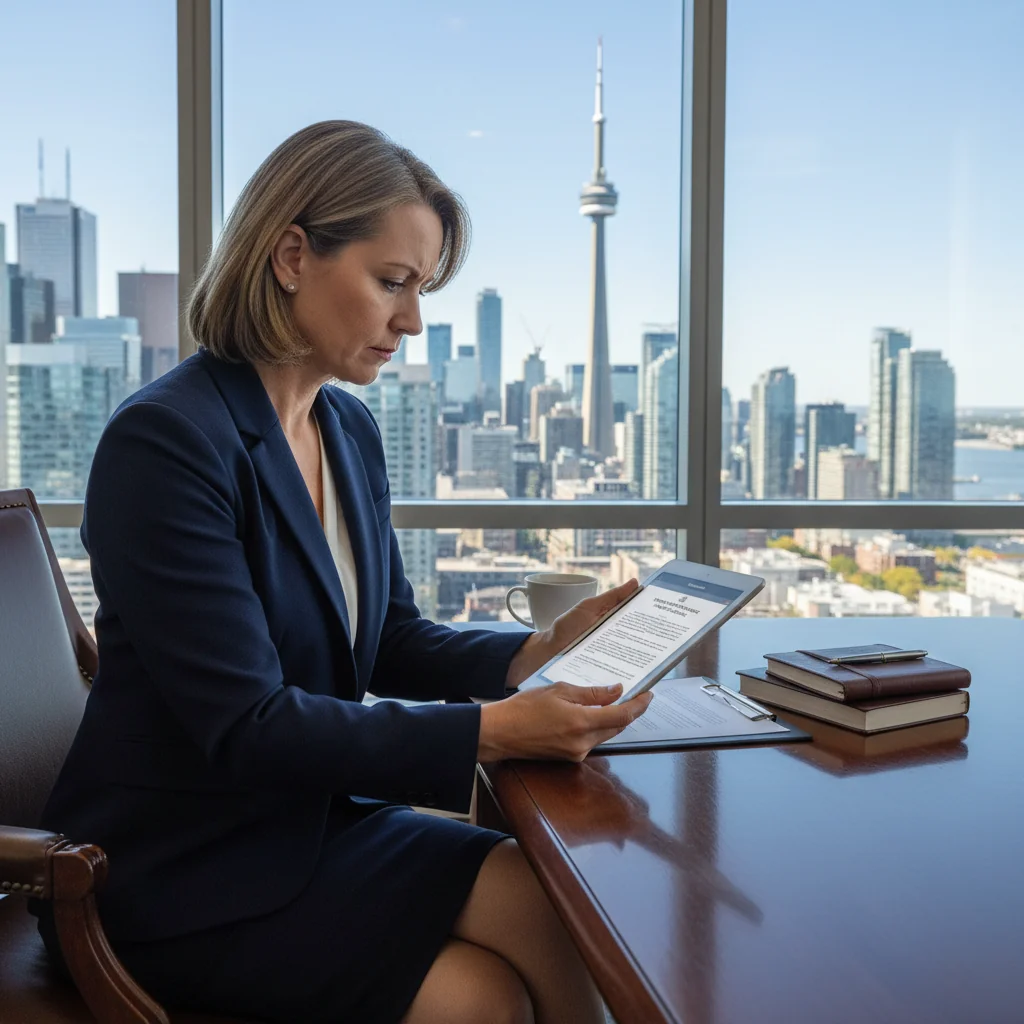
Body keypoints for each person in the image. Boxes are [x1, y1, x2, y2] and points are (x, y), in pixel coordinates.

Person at [36, 120, 653, 1024]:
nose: (412, 320)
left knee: (547, 901)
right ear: (291, 255)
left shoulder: (347, 430)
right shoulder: (167, 443)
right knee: (476, 1002)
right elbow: (247, 726)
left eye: (423, 288)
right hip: (175, 871)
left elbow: (391, 636)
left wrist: (530, 656)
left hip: (308, 823)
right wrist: (494, 729)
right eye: (392, 282)